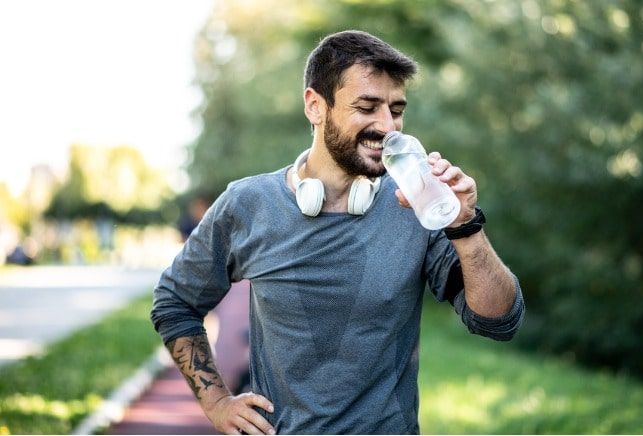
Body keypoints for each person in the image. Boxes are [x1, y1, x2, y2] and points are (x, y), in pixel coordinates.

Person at [151, 30, 525, 435]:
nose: (387, 126)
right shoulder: (248, 204)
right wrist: (218, 402)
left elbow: (498, 321)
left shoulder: (417, 204)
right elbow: (175, 301)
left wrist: (465, 227)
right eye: (367, 107)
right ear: (315, 106)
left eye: (396, 110)